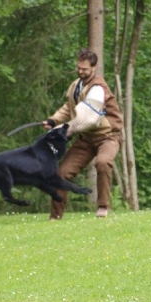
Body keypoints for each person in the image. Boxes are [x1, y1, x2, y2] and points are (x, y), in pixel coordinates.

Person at [43, 48, 123, 219]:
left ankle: (102, 207)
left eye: (84, 69)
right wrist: (53, 121)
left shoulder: (98, 89)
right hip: (86, 139)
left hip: (108, 137)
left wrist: (64, 131)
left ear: (93, 68)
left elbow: (88, 119)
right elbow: (68, 107)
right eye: (78, 67)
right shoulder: (76, 85)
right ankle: (55, 217)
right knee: (62, 173)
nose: (80, 71)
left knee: (103, 162)